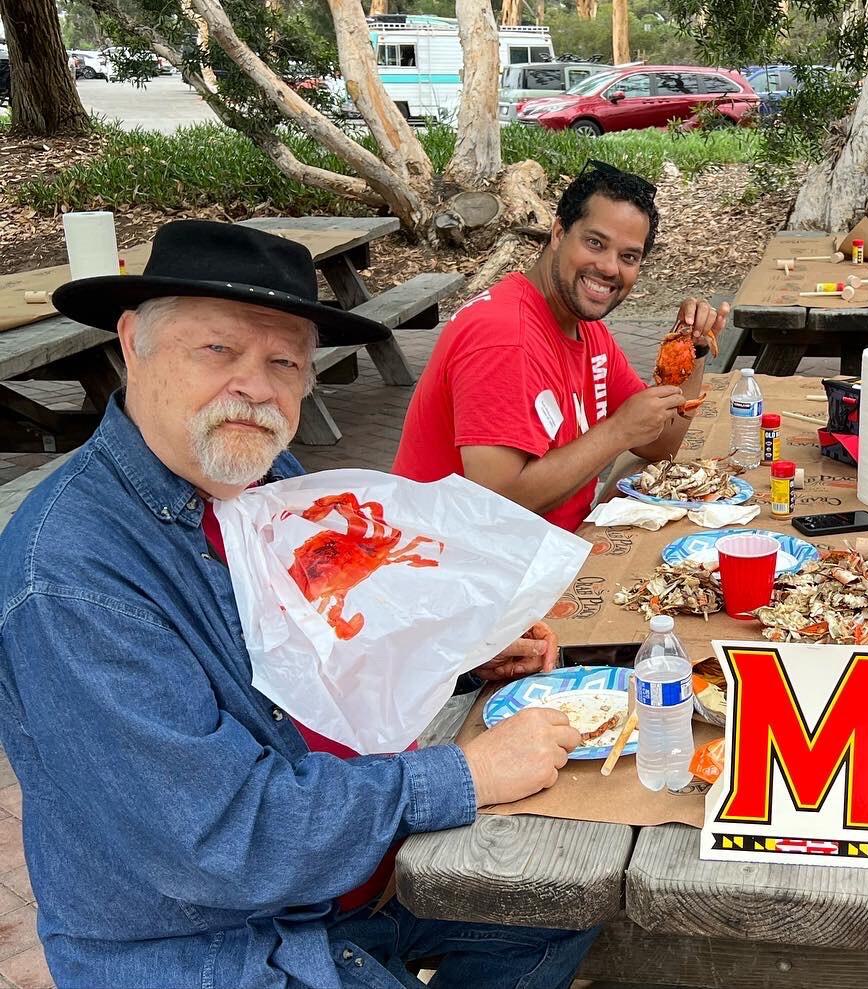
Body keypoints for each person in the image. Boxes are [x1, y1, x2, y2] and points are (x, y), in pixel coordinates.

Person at [0, 220, 599, 988]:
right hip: (219, 945)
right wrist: (461, 777)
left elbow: (334, 645)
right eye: (218, 349)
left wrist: (454, 654)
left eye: (284, 360)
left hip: (345, 875)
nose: (255, 385)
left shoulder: (266, 479)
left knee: (559, 899)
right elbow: (219, 837)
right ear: (131, 343)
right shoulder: (72, 574)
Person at [393, 159, 729, 531]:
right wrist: (617, 431)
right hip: (461, 565)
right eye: (595, 243)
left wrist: (690, 349)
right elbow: (496, 503)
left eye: (628, 257)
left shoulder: (582, 326)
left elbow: (658, 444)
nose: (609, 268)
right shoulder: (505, 339)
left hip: (548, 547)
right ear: (557, 233)